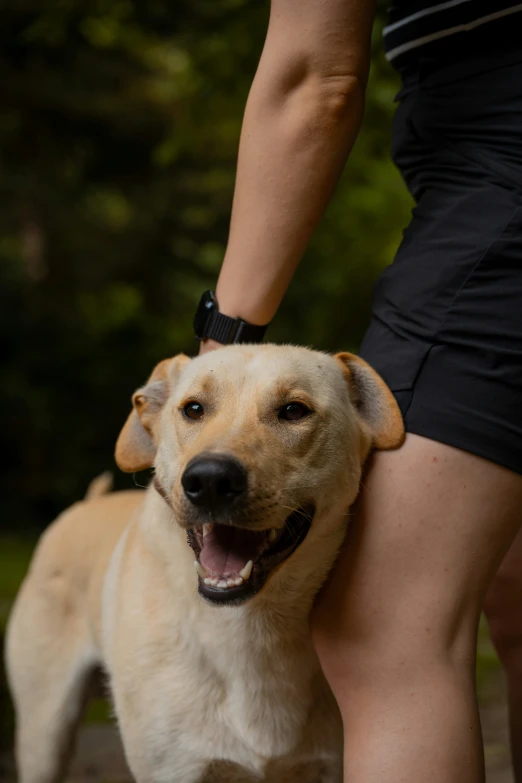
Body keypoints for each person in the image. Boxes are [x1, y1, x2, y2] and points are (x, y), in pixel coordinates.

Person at [194, 0, 522, 779]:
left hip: (504, 179)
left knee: (383, 625)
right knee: (512, 589)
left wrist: (225, 339)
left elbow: (317, 77)